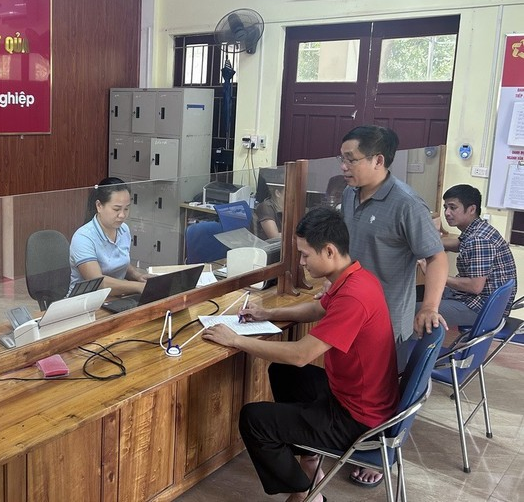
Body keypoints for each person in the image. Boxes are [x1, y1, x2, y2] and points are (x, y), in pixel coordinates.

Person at [202, 207, 399, 502]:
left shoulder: (354, 296)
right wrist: (268, 313)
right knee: (282, 372)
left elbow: (301, 354)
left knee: (255, 419)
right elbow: (319, 309)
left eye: (306, 255)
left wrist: (235, 340)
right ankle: (310, 458)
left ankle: (306, 493)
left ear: (329, 251)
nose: (302, 262)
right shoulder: (357, 278)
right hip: (357, 396)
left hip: (358, 418)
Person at [338, 125, 448, 487]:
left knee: (383, 396)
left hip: (386, 321)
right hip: (351, 312)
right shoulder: (350, 194)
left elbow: (436, 258)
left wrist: (429, 306)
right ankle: (352, 442)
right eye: (342, 158)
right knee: (355, 388)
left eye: (351, 159)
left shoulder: (406, 203)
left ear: (378, 160)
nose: (343, 166)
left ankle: (379, 456)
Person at [417, 184, 517, 326]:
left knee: (414, 310)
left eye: (453, 207)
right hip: (482, 301)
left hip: (480, 308)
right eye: (445, 207)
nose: (447, 213)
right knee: (415, 294)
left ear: (471, 209)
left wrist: (434, 274)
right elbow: (460, 244)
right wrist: (427, 243)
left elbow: (475, 287)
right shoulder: (478, 229)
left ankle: (419, 340)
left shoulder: (479, 239)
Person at [68, 177, 151, 296]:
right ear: (99, 206)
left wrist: (137, 276)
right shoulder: (83, 237)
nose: (122, 215)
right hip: (86, 301)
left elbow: (119, 262)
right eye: (116, 209)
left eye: (126, 208)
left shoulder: (123, 229)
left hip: (115, 297)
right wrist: (138, 287)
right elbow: (97, 283)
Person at [253, 174, 284, 239]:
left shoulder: (287, 207)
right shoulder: (266, 207)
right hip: (264, 244)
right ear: (278, 193)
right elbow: (274, 237)